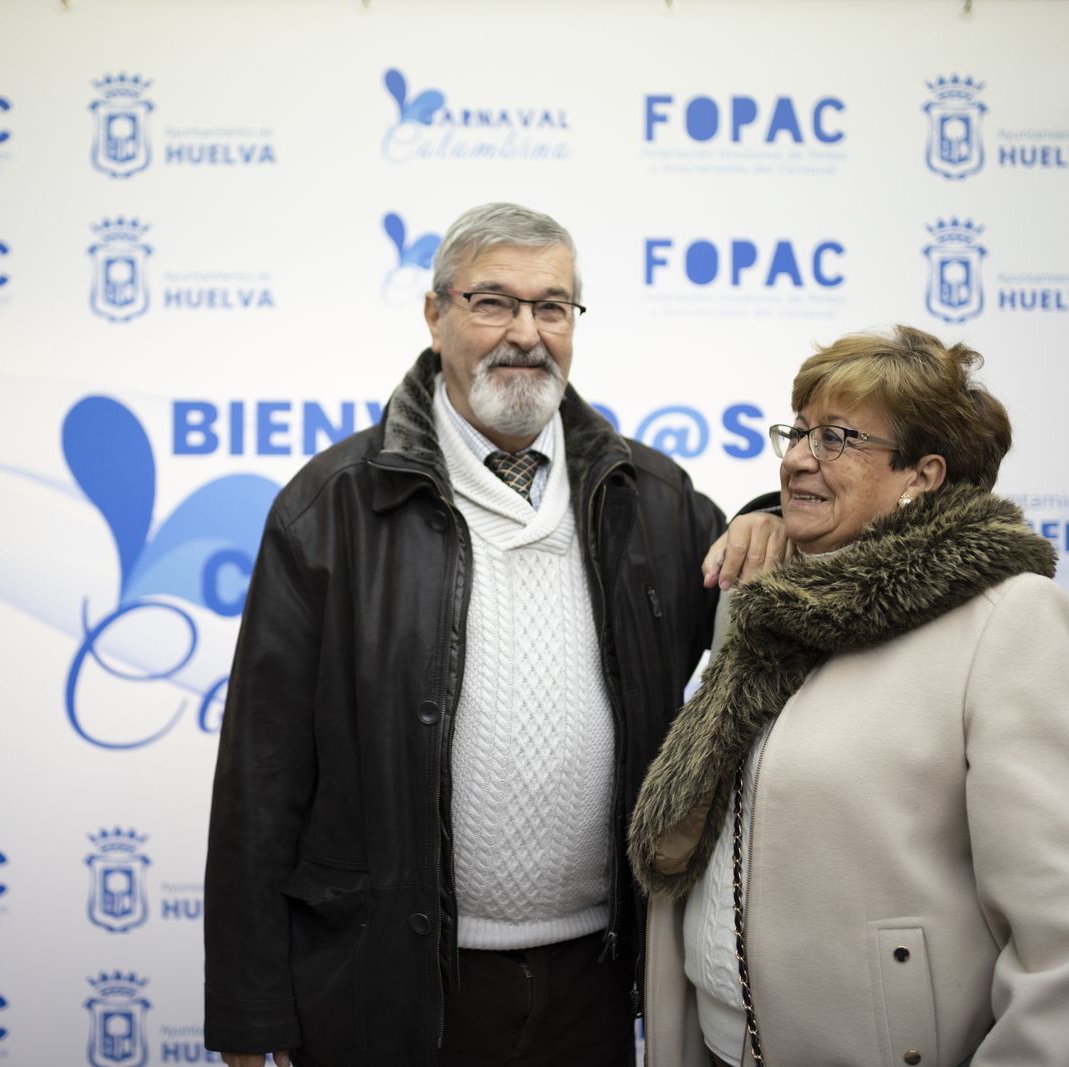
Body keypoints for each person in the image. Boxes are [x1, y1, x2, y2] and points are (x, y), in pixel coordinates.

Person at [204, 203, 731, 1066]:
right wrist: (248, 1009)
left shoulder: (651, 497)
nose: (526, 333)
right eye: (493, 302)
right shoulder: (333, 506)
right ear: (435, 314)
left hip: (596, 981)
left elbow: (772, 600)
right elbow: (261, 775)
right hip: (391, 987)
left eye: (551, 306)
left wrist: (769, 513)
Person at [630, 326, 1069, 1067]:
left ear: (922, 476)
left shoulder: (1009, 620)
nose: (797, 457)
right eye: (799, 431)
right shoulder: (762, 593)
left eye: (836, 438)